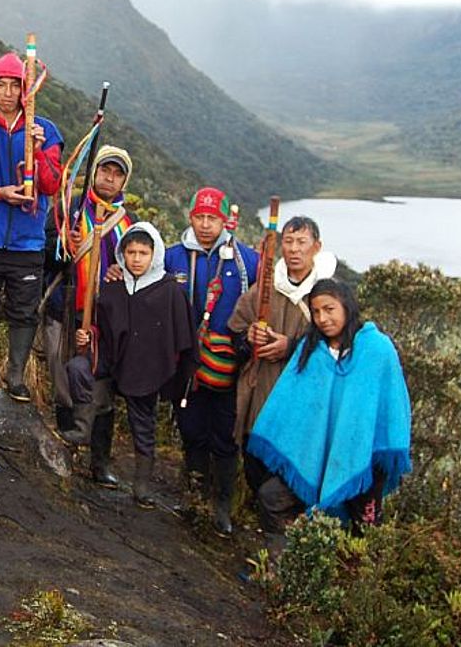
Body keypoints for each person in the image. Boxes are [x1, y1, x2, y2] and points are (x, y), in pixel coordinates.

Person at [245, 279, 411, 538]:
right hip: (310, 456)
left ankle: (349, 577)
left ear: (346, 306)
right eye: (316, 311)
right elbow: (291, 403)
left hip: (363, 461)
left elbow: (392, 407)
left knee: (364, 528)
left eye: (329, 309)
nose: (322, 318)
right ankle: (284, 568)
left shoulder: (377, 348)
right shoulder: (312, 349)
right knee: (271, 498)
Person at [0, 52, 64, 402]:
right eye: (0, 85)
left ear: (26, 90)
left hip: (28, 242)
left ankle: (16, 377)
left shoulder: (45, 130)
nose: (7, 93)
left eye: (15, 85)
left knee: (23, 312)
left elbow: (51, 185)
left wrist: (38, 150)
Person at [74, 223, 193, 508]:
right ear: (122, 254)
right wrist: (87, 335)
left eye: (143, 252)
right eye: (131, 252)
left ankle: (142, 485)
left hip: (146, 368)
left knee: (143, 423)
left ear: (155, 254)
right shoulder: (113, 287)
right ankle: (99, 464)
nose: (137, 258)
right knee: (102, 407)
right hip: (113, 362)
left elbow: (181, 335)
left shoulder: (169, 291)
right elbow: (100, 326)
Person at [228, 216, 337, 525]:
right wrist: (250, 337)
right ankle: (269, 547)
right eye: (288, 241)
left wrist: (290, 347)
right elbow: (236, 332)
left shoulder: (327, 293)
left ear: (316, 247)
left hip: (303, 410)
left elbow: (336, 348)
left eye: (301, 242)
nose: (293, 249)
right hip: (260, 398)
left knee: (287, 482)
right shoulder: (265, 287)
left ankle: (285, 546)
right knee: (255, 468)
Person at [163, 187, 258, 534]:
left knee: (225, 434)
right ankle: (194, 495)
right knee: (190, 428)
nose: (205, 225)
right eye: (199, 217)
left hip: (231, 365)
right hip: (186, 363)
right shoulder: (172, 258)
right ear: (190, 217)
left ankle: (222, 505)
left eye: (212, 218)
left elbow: (266, 303)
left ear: (224, 221)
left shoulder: (247, 261)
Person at [43, 146, 134, 486]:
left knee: (101, 384)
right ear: (94, 172)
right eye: (105, 171)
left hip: (105, 319)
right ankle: (65, 445)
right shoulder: (70, 209)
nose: (109, 178)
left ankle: (100, 461)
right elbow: (45, 250)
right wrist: (64, 242)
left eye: (117, 173)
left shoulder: (128, 223)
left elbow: (141, 267)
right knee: (63, 376)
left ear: (125, 179)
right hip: (64, 307)